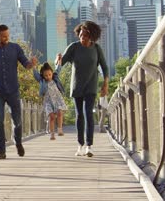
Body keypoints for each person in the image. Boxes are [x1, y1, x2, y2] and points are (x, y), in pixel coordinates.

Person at [0, 24, 37, 160]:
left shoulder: (15, 48)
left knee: (17, 121)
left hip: (13, 91)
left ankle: (18, 142)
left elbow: (26, 64)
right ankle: (1, 151)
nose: (6, 38)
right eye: (4, 36)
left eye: (8, 36)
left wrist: (31, 63)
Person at [57, 21, 109, 157]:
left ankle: (89, 146)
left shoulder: (96, 49)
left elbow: (105, 67)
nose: (82, 38)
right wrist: (59, 59)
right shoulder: (73, 47)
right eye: (80, 35)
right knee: (79, 115)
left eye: (85, 36)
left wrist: (105, 84)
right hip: (77, 86)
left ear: (91, 36)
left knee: (88, 114)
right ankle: (80, 144)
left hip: (91, 86)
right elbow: (62, 62)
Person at [33, 62, 67, 140]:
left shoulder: (55, 77)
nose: (48, 77)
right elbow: (36, 75)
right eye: (46, 75)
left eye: (49, 74)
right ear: (43, 76)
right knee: (51, 116)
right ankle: (52, 134)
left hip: (57, 99)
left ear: (52, 73)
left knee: (60, 112)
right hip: (48, 101)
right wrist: (34, 66)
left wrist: (59, 61)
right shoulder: (42, 81)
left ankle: (60, 130)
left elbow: (58, 69)